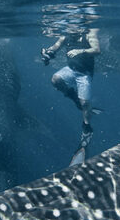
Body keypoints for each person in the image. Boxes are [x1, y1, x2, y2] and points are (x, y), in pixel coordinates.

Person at [42, 26, 101, 165]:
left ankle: (87, 130)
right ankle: (74, 98)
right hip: (70, 69)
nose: (71, 30)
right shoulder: (65, 35)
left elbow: (97, 50)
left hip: (84, 74)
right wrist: (48, 53)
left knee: (85, 103)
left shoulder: (90, 33)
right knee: (55, 79)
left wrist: (81, 51)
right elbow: (55, 46)